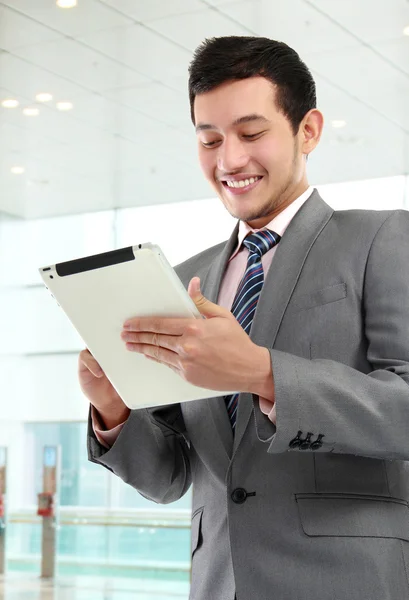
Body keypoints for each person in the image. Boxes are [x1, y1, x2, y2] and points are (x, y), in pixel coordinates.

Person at [81, 36, 409, 600]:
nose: (229, 160)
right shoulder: (186, 278)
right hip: (220, 583)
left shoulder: (380, 239)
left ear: (308, 130)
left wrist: (261, 372)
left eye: (251, 134)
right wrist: (114, 409)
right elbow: (173, 477)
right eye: (209, 140)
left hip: (348, 581)